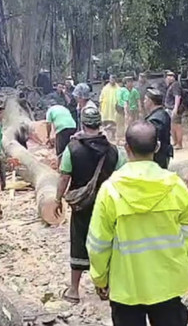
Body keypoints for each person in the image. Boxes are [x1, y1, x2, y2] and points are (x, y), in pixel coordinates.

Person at [87, 121, 188, 326]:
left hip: (127, 286)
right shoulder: (176, 186)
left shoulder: (110, 190)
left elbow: (98, 243)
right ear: (157, 147)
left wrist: (100, 278)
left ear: (127, 148)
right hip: (168, 283)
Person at [55, 106, 125, 304]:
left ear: (83, 124)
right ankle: (104, 287)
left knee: (79, 240)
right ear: (99, 124)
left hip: (82, 206)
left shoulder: (73, 149)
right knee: (106, 242)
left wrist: (57, 199)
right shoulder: (113, 150)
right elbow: (120, 177)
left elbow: (64, 176)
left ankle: (74, 290)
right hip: (108, 204)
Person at [143, 88, 172, 169]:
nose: (143, 102)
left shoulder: (156, 119)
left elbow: (153, 141)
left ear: (150, 101)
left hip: (157, 157)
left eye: (145, 99)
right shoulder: (161, 114)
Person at [165, 72, 184, 150]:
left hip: (174, 108)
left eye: (171, 76)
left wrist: (175, 108)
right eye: (168, 76)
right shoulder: (171, 86)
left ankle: (179, 144)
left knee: (177, 126)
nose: (169, 77)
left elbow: (177, 96)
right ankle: (175, 142)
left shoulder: (176, 84)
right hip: (170, 108)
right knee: (172, 127)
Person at [99, 75, 121, 141]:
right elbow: (101, 99)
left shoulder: (118, 88)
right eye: (111, 79)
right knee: (105, 125)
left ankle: (113, 137)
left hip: (114, 110)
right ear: (109, 79)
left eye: (114, 78)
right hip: (106, 110)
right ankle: (105, 138)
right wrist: (100, 108)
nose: (112, 80)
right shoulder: (105, 88)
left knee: (113, 124)